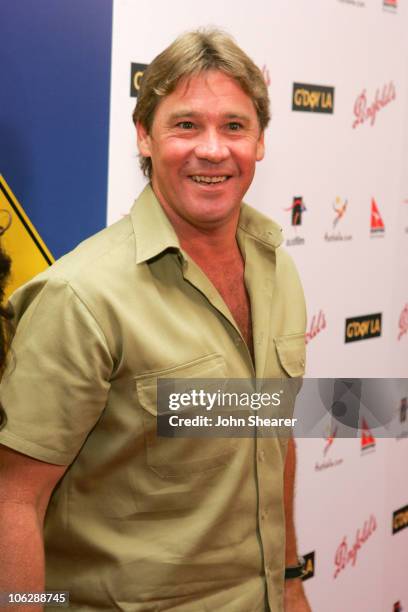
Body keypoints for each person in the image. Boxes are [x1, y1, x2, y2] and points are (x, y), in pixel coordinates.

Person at [0, 29, 310, 612]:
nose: (213, 149)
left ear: (260, 142)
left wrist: (291, 580)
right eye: (186, 124)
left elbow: (275, 436)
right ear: (144, 136)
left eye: (235, 126)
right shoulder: (81, 296)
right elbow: (12, 500)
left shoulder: (278, 269)